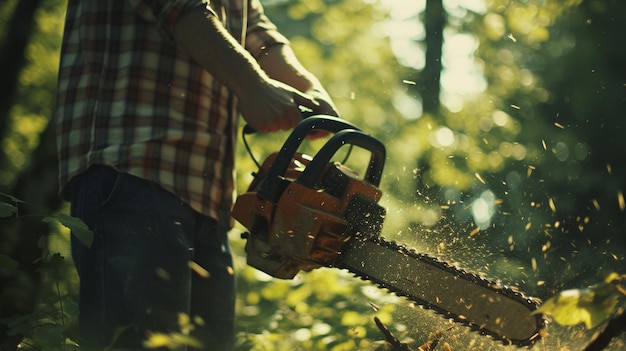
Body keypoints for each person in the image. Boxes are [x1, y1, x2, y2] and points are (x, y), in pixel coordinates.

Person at [54, 1, 338, 350]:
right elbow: (180, 6)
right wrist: (253, 86)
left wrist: (307, 87)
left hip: (207, 194)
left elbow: (258, 36)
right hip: (132, 169)